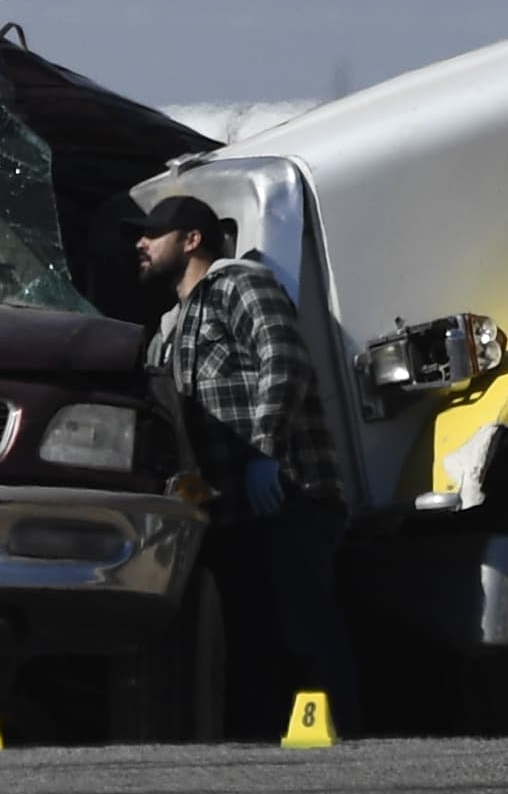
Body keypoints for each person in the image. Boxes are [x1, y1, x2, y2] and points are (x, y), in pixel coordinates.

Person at [125, 194, 362, 742]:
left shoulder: (241, 284)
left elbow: (283, 358)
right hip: (228, 512)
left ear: (192, 240)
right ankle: (268, 773)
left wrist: (265, 453)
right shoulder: (170, 326)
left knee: (306, 633)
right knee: (251, 648)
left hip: (288, 492)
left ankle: (347, 758)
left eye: (152, 232)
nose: (140, 244)